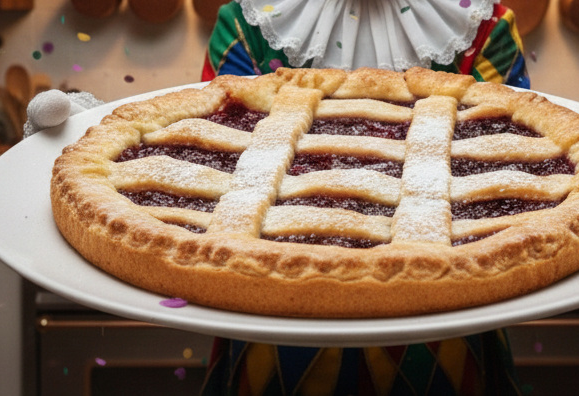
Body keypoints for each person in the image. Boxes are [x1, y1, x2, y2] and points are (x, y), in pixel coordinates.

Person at [199, 1, 528, 395]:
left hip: (445, 337)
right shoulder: (247, 25)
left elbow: (512, 164)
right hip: (271, 335)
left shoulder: (483, 27)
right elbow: (214, 157)